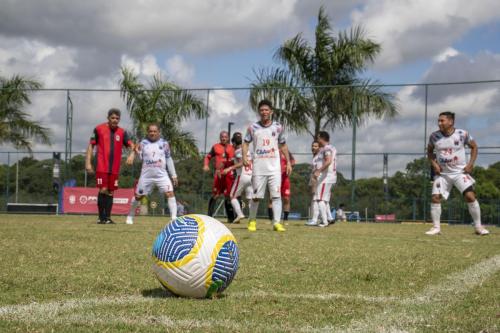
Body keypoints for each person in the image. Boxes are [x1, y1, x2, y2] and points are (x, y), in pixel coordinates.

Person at [426, 111, 489, 235]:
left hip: (460, 173)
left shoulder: (462, 134)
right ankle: (436, 228)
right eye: (438, 121)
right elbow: (429, 151)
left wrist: (470, 164)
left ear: (451, 122)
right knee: (435, 198)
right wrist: (434, 164)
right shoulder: (434, 136)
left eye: (442, 120)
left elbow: (474, 147)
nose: (439, 123)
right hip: (442, 174)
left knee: (470, 196)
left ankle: (478, 227)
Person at [242, 99, 292, 232]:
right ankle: (252, 220)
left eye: (266, 110)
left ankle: (276, 223)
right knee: (256, 196)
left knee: (276, 195)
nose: (264, 112)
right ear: (259, 112)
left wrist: (288, 162)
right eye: (262, 110)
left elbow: (283, 145)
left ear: (271, 112)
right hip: (259, 167)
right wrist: (244, 157)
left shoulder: (278, 127)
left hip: (274, 167)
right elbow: (246, 143)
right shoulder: (253, 128)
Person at [85, 108, 135, 224]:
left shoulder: (122, 132)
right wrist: (88, 163)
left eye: (117, 118)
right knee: (103, 189)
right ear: (108, 118)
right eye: (112, 118)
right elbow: (91, 146)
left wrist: (132, 155)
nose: (115, 120)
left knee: (111, 191)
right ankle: (100, 217)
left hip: (115, 168)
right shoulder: (99, 129)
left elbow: (132, 145)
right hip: (101, 165)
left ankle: (107, 218)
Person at [126, 124, 178, 225]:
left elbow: (168, 159)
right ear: (148, 132)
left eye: (154, 131)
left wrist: (174, 175)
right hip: (146, 175)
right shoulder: (143, 143)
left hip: (161, 175)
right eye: (150, 131)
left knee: (170, 193)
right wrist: (132, 155)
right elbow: (138, 153)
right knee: (138, 196)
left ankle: (174, 218)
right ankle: (130, 215)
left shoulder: (164, 143)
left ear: (159, 132)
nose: (152, 133)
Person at [203, 130, 235, 222]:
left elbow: (236, 160)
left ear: (228, 138)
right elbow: (208, 157)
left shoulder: (232, 148)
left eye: (225, 137)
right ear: (220, 138)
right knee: (215, 195)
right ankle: (209, 216)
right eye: (222, 137)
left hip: (229, 174)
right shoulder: (215, 147)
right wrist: (206, 165)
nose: (223, 138)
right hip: (219, 174)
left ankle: (231, 218)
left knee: (228, 195)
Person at [222, 132, 253, 224]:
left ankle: (239, 214)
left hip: (242, 176)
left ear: (234, 143)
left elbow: (242, 163)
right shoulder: (247, 150)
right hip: (251, 175)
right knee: (250, 198)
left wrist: (230, 168)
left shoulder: (238, 151)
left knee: (232, 196)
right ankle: (252, 218)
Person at [309, 131, 337, 228]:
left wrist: (319, 171)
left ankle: (324, 222)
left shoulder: (327, 148)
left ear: (321, 138)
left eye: (318, 138)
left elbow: (328, 161)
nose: (317, 140)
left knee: (320, 199)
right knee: (323, 199)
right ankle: (327, 219)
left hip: (327, 177)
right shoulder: (330, 147)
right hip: (329, 176)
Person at [267, 151, 295, 222]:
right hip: (275, 179)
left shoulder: (287, 153)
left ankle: (285, 219)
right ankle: (271, 219)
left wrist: (288, 166)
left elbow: (293, 162)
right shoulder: (272, 152)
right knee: (271, 198)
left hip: (285, 179)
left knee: (286, 199)